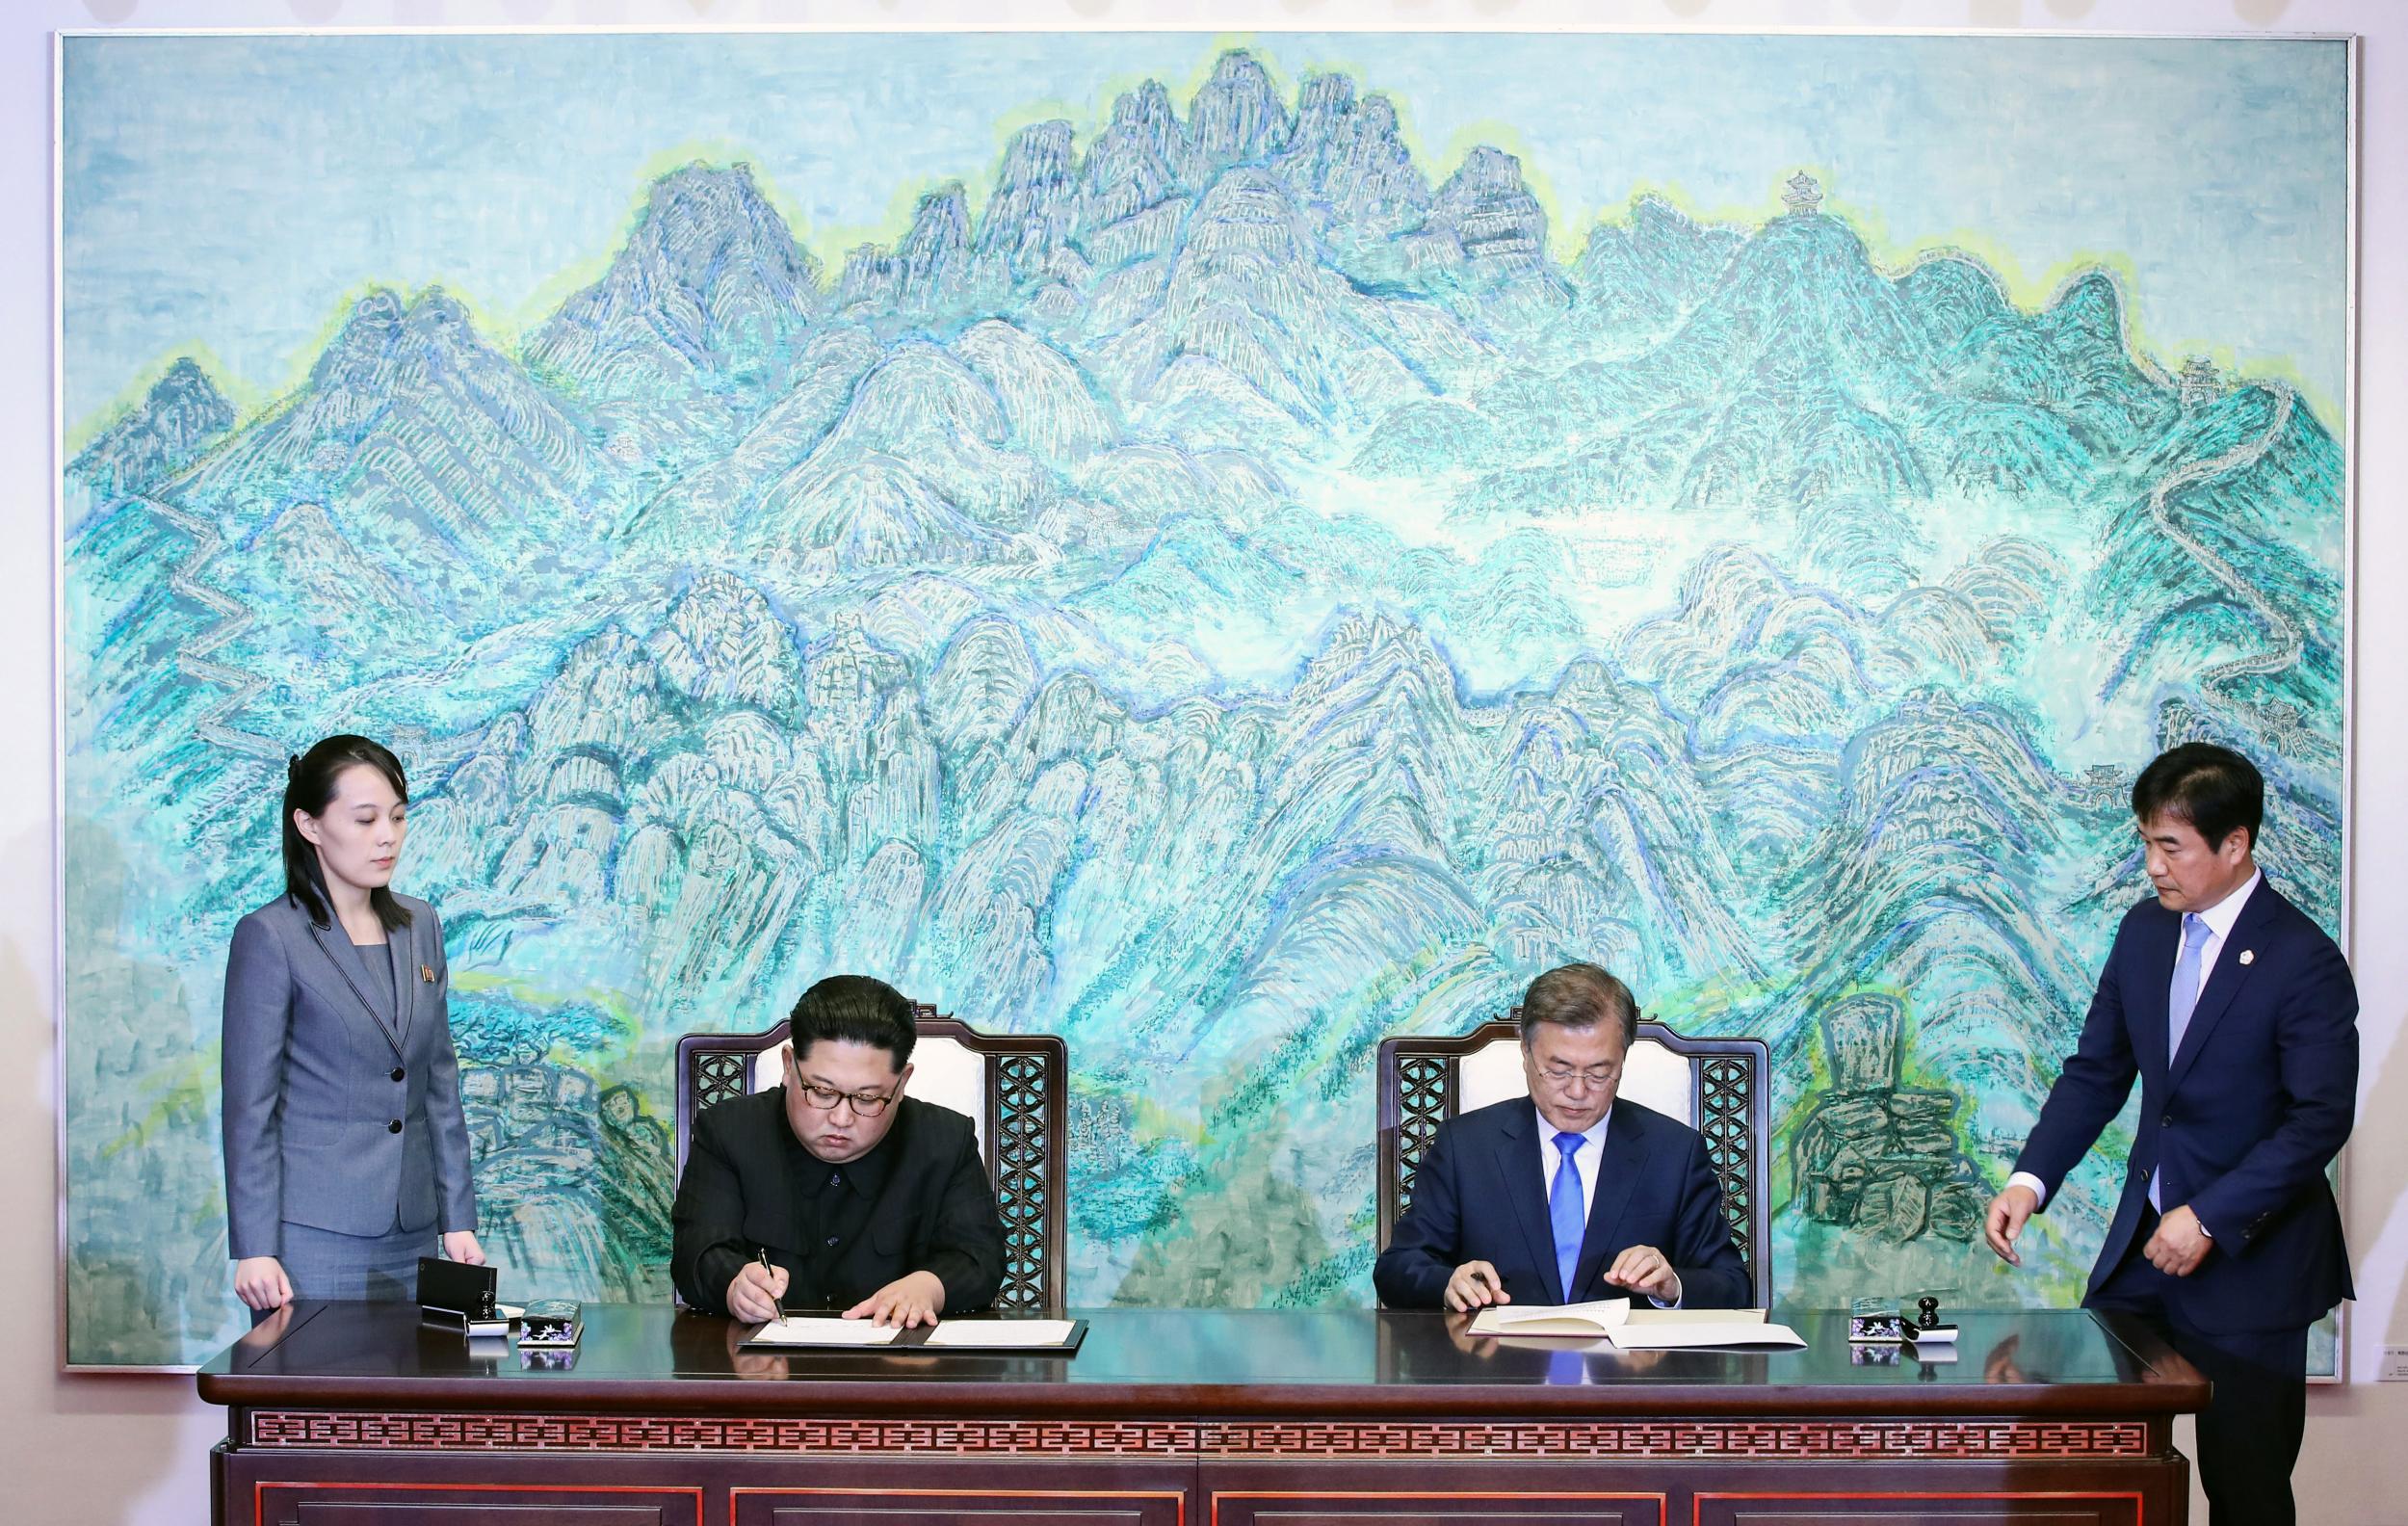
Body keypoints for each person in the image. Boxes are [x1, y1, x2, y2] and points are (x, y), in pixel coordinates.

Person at [1985, 743, 2356, 1526]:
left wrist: (2212, 1216)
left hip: (2251, 1266)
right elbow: (2096, 1074)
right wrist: (2030, 1180)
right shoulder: (2144, 935)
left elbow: (2319, 1118)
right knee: (2094, 1461)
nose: (2151, 865)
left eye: (2169, 846)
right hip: (2143, 1258)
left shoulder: (2303, 961)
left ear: (2235, 845)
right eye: (2145, 842)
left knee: (2244, 1489)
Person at [222, 735, 484, 1314]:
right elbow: (250, 1108)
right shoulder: (270, 937)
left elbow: (439, 1083)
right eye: (364, 819)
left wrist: (457, 1218)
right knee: (315, 1401)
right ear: (310, 825)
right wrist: (255, 1247)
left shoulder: (421, 923)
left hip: (415, 1232)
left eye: (396, 817)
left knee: (414, 1402)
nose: (387, 836)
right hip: (310, 1241)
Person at [1374, 962, 1750, 1312]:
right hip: (1497, 1370)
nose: (1576, 1090)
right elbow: (1397, 1270)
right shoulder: (1466, 1147)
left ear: (1623, 1060)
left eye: (1600, 1073)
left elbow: (1733, 1286)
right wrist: (1447, 1283)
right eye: (1558, 1070)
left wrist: (1673, 1287)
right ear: (1525, 1051)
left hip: (1629, 1376)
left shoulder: (1674, 1154)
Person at [671, 975, 1005, 1326]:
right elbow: (696, 1252)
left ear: (902, 1082)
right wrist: (735, 1285)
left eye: (868, 1098)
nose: (841, 1118)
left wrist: (929, 1287)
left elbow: (981, 1257)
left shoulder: (945, 1141)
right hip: (763, 1370)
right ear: (789, 1066)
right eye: (822, 1091)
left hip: (902, 1369)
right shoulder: (729, 1133)